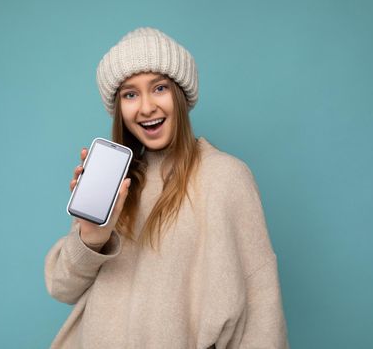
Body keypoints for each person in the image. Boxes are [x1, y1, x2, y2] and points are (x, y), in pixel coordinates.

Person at [44, 27, 289, 349]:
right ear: (119, 108)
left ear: (182, 96)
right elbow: (63, 289)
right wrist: (92, 236)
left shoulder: (225, 177)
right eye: (130, 94)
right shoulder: (114, 184)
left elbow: (262, 308)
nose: (146, 107)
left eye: (159, 88)